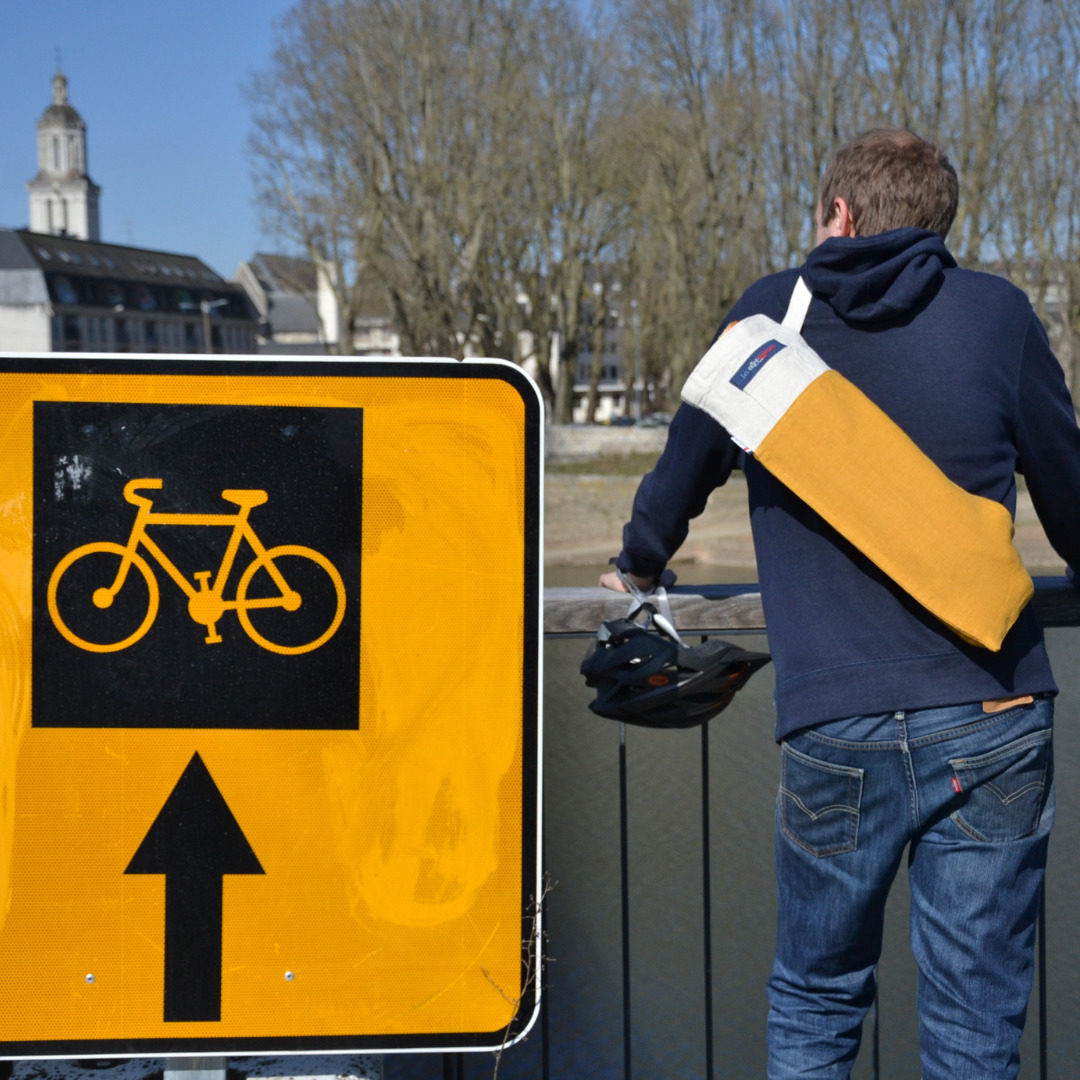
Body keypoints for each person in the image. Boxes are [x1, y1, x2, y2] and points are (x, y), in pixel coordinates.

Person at [600, 129, 1080, 1079]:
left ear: (840, 214)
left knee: (817, 1002)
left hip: (835, 715)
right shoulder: (997, 313)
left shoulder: (770, 319)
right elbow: (1067, 492)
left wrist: (639, 566)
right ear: (937, 224)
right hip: (993, 704)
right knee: (975, 1018)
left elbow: (683, 470)